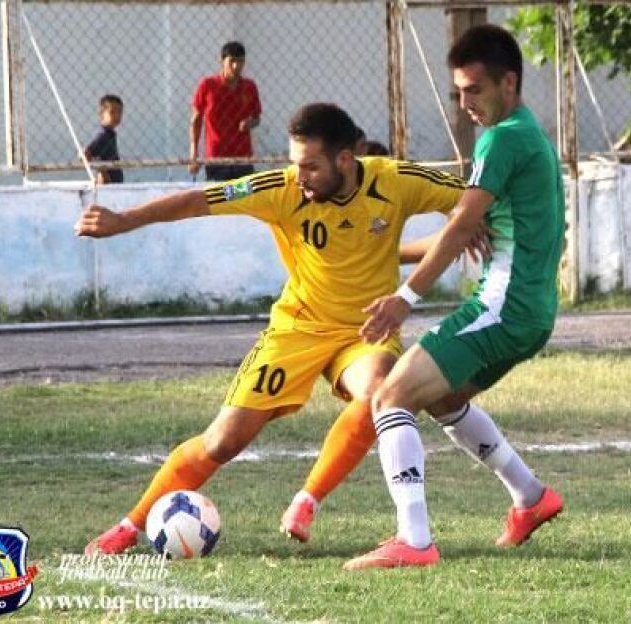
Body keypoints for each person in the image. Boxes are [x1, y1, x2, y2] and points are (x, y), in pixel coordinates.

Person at [76, 102, 467, 556]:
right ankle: (129, 525)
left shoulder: (395, 180)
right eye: (295, 163)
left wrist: (466, 229)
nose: (299, 176)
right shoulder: (281, 188)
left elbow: (472, 200)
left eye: (310, 166)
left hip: (365, 332)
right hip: (297, 330)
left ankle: (306, 501)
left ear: (345, 160)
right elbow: (198, 201)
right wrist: (124, 220)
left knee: (380, 393)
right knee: (223, 442)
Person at [342, 24, 566, 570]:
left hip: (502, 307)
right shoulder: (527, 135)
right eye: (458, 92)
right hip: (530, 312)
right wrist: (389, 254)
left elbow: (463, 224)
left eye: (475, 90)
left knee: (390, 396)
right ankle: (531, 498)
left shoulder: (502, 138)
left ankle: (414, 540)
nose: (465, 103)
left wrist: (403, 299)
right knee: (441, 398)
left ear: (508, 83)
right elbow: (465, 229)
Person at [189, 41, 262, 181]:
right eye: (232, 61)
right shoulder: (208, 86)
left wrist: (250, 123)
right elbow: (196, 119)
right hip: (217, 158)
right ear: (222, 61)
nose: (236, 66)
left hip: (243, 158)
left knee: (243, 193)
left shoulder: (249, 87)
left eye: (240, 61)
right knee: (219, 193)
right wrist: (194, 152)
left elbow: (257, 118)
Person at [84, 94, 124, 185]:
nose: (117, 116)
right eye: (112, 112)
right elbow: (86, 154)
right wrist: (102, 171)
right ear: (102, 114)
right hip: (108, 185)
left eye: (119, 112)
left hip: (114, 183)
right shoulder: (103, 135)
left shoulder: (110, 134)